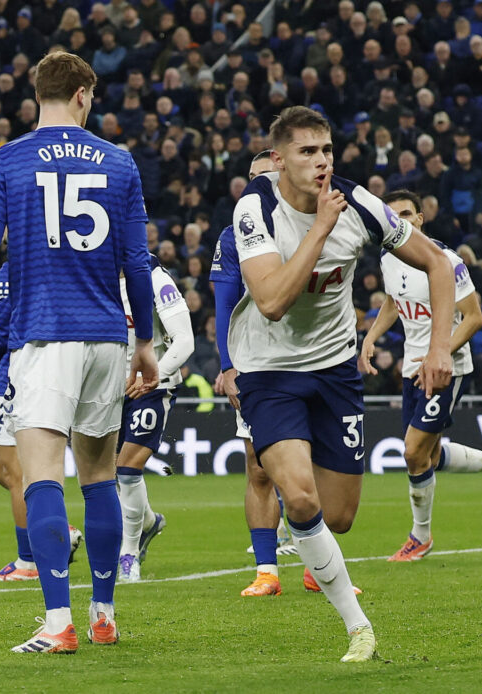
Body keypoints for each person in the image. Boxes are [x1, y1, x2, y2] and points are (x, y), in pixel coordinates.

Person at [0, 52, 159, 654]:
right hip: (107, 335)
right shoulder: (119, 161)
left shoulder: (7, 160)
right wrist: (143, 342)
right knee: (100, 475)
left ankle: (59, 624)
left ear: (39, 93)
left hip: (44, 334)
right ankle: (103, 612)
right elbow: (137, 261)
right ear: (84, 94)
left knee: (41, 476)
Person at [229, 106, 456, 662]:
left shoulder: (360, 203)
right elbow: (273, 302)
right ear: (278, 160)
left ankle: (307, 540)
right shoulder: (254, 208)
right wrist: (322, 228)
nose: (322, 162)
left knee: (338, 517)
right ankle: (359, 629)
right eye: (308, 152)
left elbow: (440, 265)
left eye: (327, 150)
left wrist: (441, 346)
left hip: (335, 372)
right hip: (269, 371)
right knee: (300, 495)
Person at [359, 190, 482, 563]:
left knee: (411, 451)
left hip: (446, 368)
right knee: (429, 454)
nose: (400, 222)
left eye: (407, 214)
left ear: (421, 218)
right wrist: (371, 337)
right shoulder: (389, 257)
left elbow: (474, 317)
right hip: (412, 368)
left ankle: (419, 537)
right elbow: (392, 301)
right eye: (393, 217)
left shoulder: (446, 261)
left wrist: (440, 354)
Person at [211, 150, 299, 600]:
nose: (257, 185)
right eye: (252, 178)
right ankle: (267, 570)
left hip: (310, 360)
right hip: (257, 364)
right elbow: (225, 304)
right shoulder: (232, 237)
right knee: (259, 468)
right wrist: (227, 366)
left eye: (265, 176)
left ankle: (316, 566)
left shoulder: (311, 224)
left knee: (318, 469)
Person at [0, 259, 84, 582]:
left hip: (16, 370)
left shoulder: (14, 267)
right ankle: (56, 526)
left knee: (14, 470)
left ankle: (29, 562)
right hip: (42, 366)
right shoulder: (55, 263)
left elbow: (4, 321)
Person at [115, 254, 195, 582]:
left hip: (150, 388)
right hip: (103, 390)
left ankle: (128, 554)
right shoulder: (86, 271)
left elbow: (185, 340)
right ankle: (147, 522)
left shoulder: (153, 276)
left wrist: (151, 377)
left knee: (127, 469)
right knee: (106, 476)